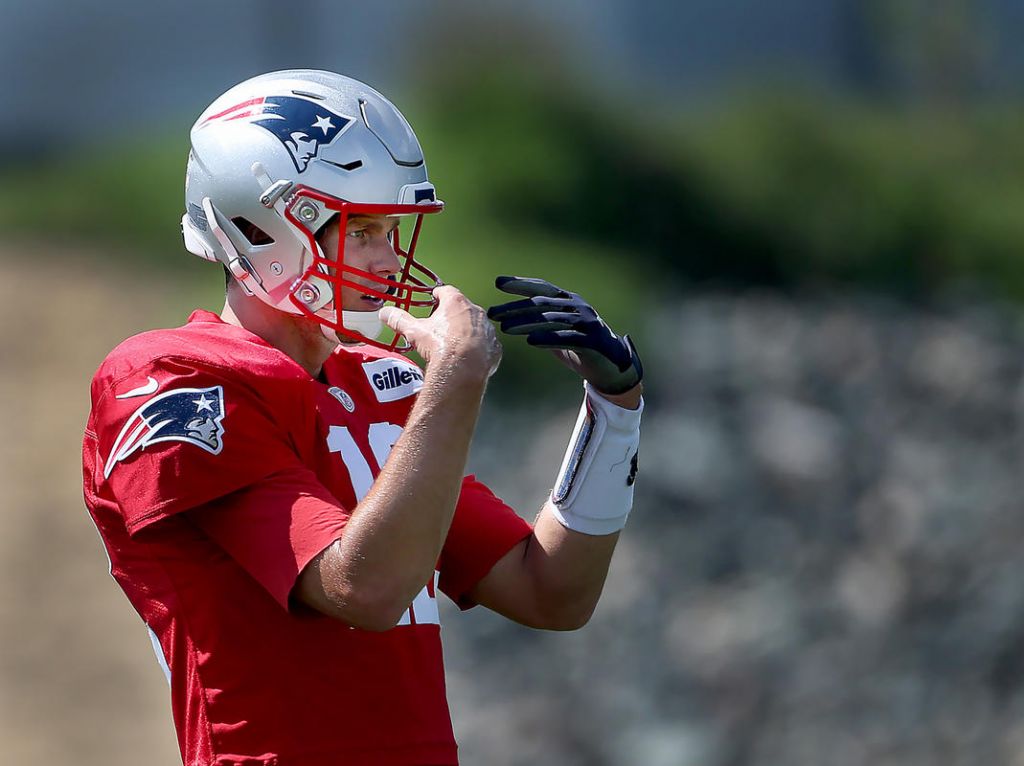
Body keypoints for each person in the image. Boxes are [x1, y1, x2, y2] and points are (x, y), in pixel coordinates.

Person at [82, 69, 644, 766]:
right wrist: (454, 381)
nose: (386, 260)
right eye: (362, 230)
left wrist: (614, 409)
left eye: (390, 230)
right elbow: (364, 589)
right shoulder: (175, 377)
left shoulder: (380, 386)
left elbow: (552, 591)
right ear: (263, 227)